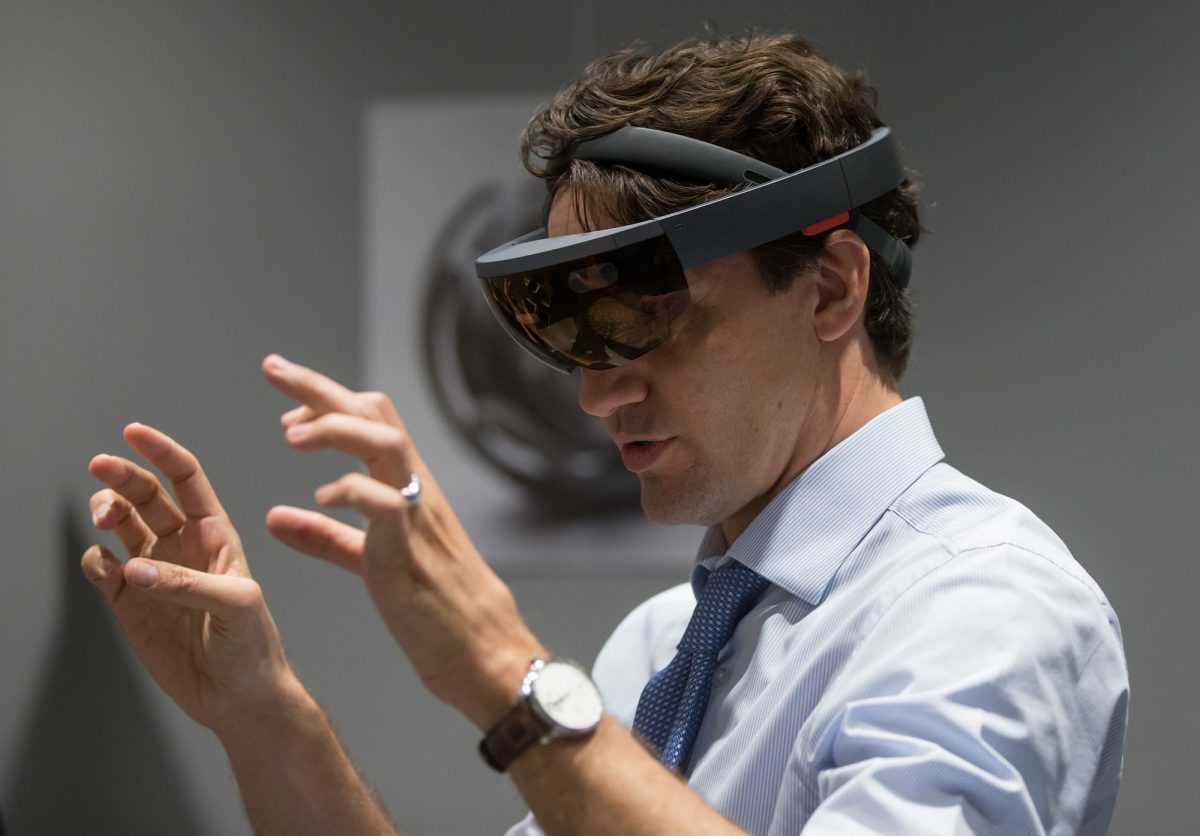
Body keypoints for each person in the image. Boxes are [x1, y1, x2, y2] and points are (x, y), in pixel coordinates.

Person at [81, 33, 1128, 835]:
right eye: (575, 336)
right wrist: (263, 711)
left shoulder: (985, 605)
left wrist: (500, 664)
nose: (595, 398)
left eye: (644, 317)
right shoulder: (661, 645)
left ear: (832, 288)